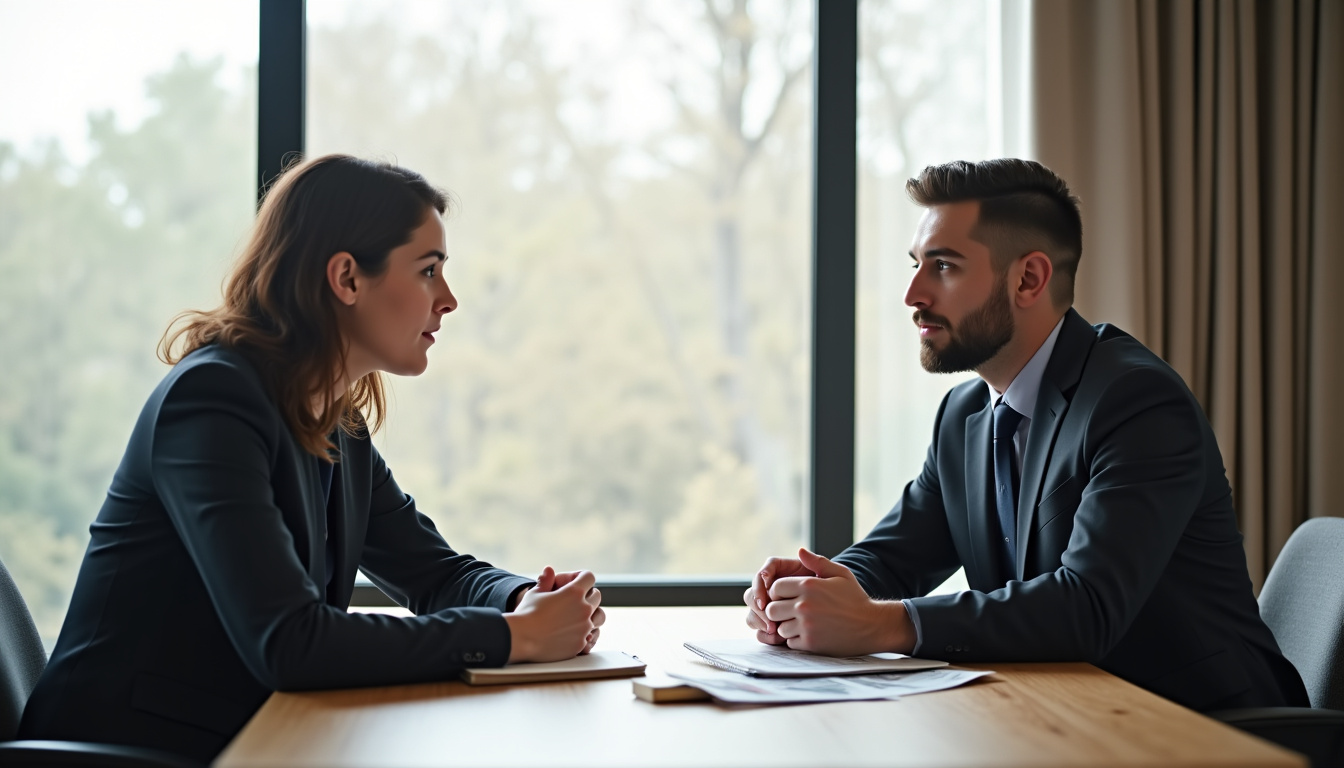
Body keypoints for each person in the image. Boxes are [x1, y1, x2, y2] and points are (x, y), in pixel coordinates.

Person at [18, 155, 605, 762]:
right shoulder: (211, 403)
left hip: (254, 737)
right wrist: (515, 638)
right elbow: (290, 642)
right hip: (135, 751)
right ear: (347, 279)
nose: (448, 299)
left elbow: (434, 574)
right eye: (428, 270)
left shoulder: (337, 422)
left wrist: (523, 601)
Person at [744, 158, 1308, 712]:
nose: (913, 294)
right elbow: (896, 556)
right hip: (1063, 712)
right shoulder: (963, 415)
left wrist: (876, 624)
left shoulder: (1136, 402)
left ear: (1028, 279)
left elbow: (1086, 607)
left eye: (943, 266)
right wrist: (811, 592)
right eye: (915, 264)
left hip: (1203, 726)